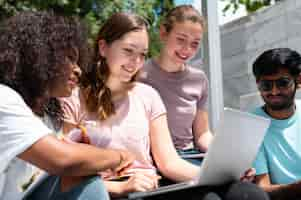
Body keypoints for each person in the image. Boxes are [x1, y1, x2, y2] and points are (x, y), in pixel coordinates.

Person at [60, 11, 269, 200]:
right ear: (103, 47)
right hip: (108, 191)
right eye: (128, 50)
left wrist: (222, 176)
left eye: (142, 54)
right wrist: (119, 188)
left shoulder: (148, 95)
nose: (135, 62)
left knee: (248, 194)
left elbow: (168, 162)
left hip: (151, 187)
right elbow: (64, 170)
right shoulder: (73, 98)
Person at [0, 11, 134, 200]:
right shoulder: (4, 99)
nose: (78, 69)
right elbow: (63, 160)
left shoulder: (46, 116)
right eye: (70, 58)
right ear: (39, 56)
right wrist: (118, 157)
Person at [139, 5, 212, 165]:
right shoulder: (139, 75)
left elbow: (202, 134)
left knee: (243, 187)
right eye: (181, 39)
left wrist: (223, 153)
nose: (187, 49)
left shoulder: (199, 80)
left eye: (195, 43)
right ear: (164, 33)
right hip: (155, 159)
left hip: (190, 156)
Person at [251, 48, 301, 200]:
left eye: (282, 83)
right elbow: (262, 187)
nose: (274, 92)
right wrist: (295, 189)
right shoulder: (250, 124)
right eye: (266, 85)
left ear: (298, 81)